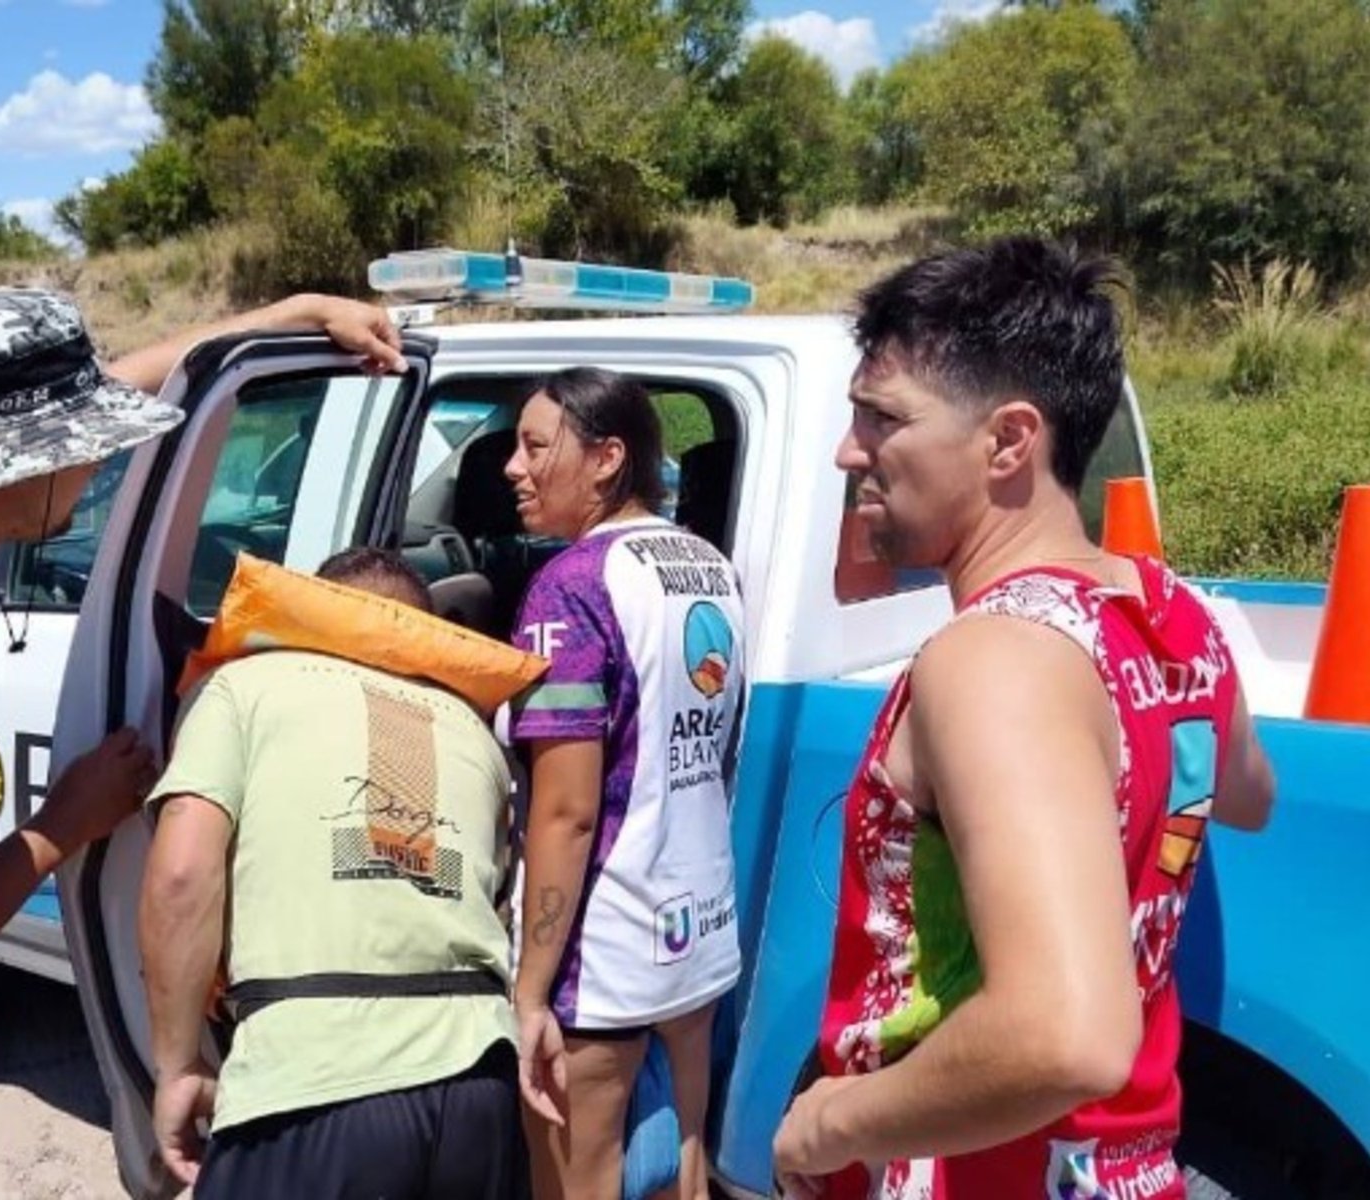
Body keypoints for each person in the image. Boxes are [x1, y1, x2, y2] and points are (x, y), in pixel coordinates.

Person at [0, 286, 405, 1199]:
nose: (100, 464)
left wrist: (286, 316)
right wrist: (58, 826)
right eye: (79, 449)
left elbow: (108, 383)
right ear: (13, 464)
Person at [771, 237, 1276, 1200]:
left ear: (1008, 440)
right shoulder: (1173, 618)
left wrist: (822, 1127)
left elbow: (1066, 1033)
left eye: (882, 419)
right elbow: (1248, 793)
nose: (850, 451)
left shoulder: (993, 657)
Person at [139, 547, 529, 1200]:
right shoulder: (474, 729)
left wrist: (177, 1066)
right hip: (479, 1089)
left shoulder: (244, 687)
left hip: (311, 1082)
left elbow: (181, 875)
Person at [506, 367, 746, 1200]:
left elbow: (567, 812)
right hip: (700, 923)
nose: (513, 466)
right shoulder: (710, 565)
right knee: (684, 1163)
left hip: (604, 948)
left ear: (606, 459)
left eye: (536, 446)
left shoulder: (569, 586)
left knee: (577, 1178)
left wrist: (530, 990)